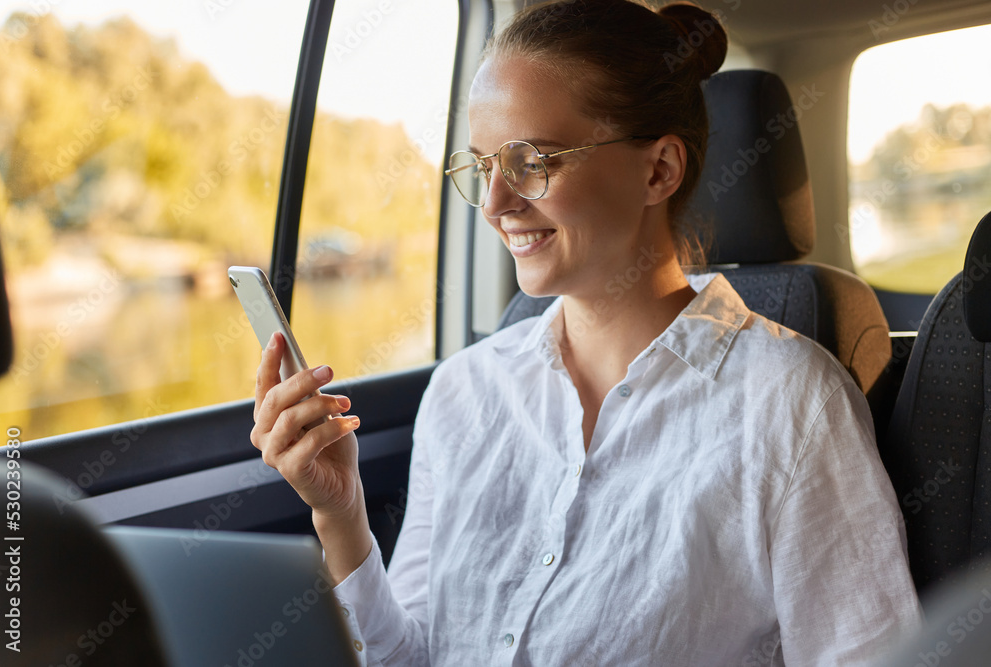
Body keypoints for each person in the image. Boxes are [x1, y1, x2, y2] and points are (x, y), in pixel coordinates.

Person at [250, 1, 922, 664]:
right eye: (483, 166)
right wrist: (340, 514)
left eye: (532, 161)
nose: (496, 204)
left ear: (659, 169)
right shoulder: (463, 391)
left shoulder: (793, 404)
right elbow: (413, 657)